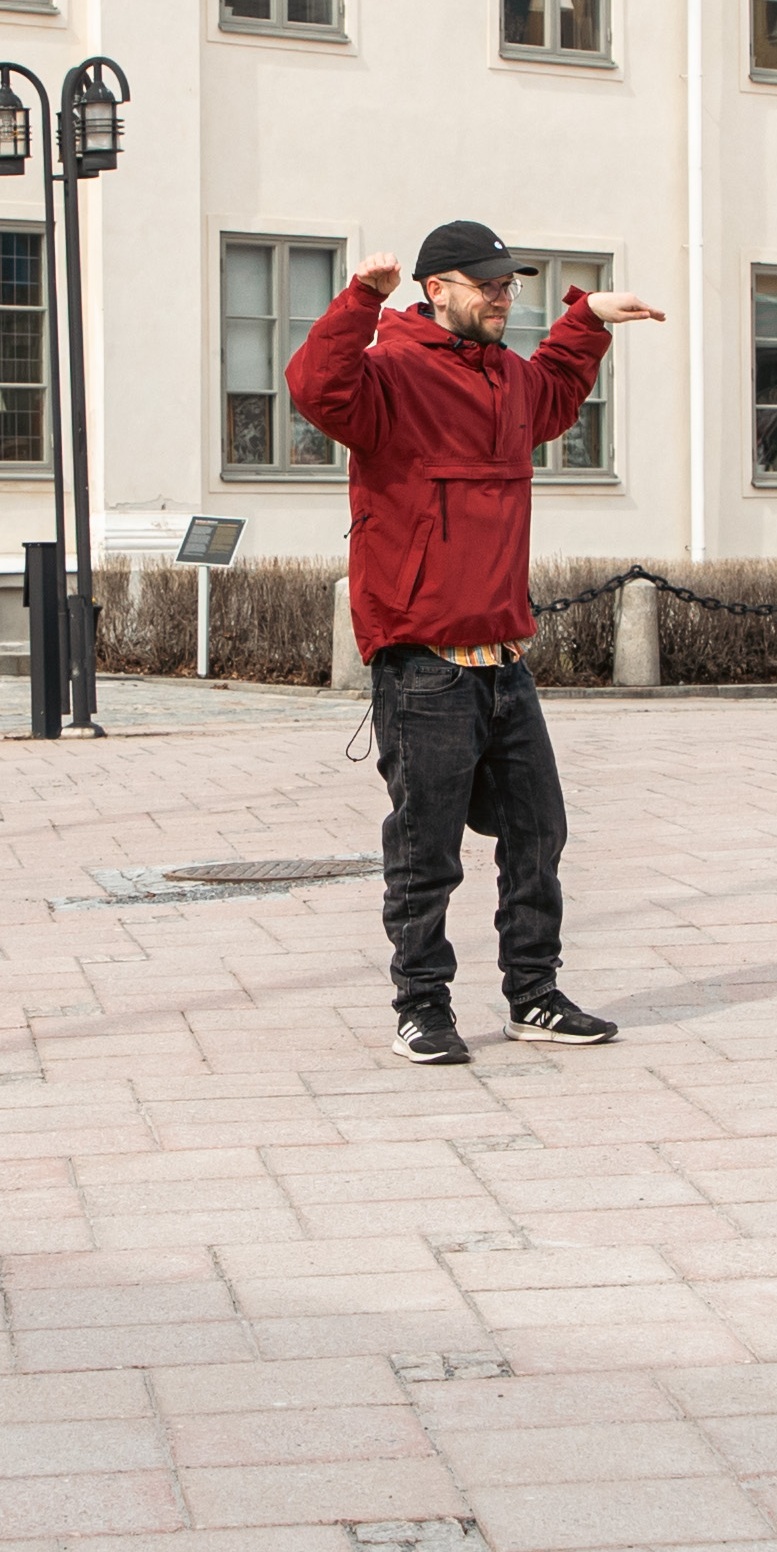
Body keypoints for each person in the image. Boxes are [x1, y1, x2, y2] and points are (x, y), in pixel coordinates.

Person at [286, 224, 656, 1066]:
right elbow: (316, 387)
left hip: (504, 660)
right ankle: (422, 1007)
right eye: (486, 284)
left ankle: (534, 996)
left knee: (538, 835)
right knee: (426, 853)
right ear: (438, 289)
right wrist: (361, 300)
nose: (502, 296)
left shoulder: (507, 379)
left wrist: (587, 316)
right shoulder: (391, 374)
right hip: (424, 666)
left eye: (509, 285)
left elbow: (558, 390)